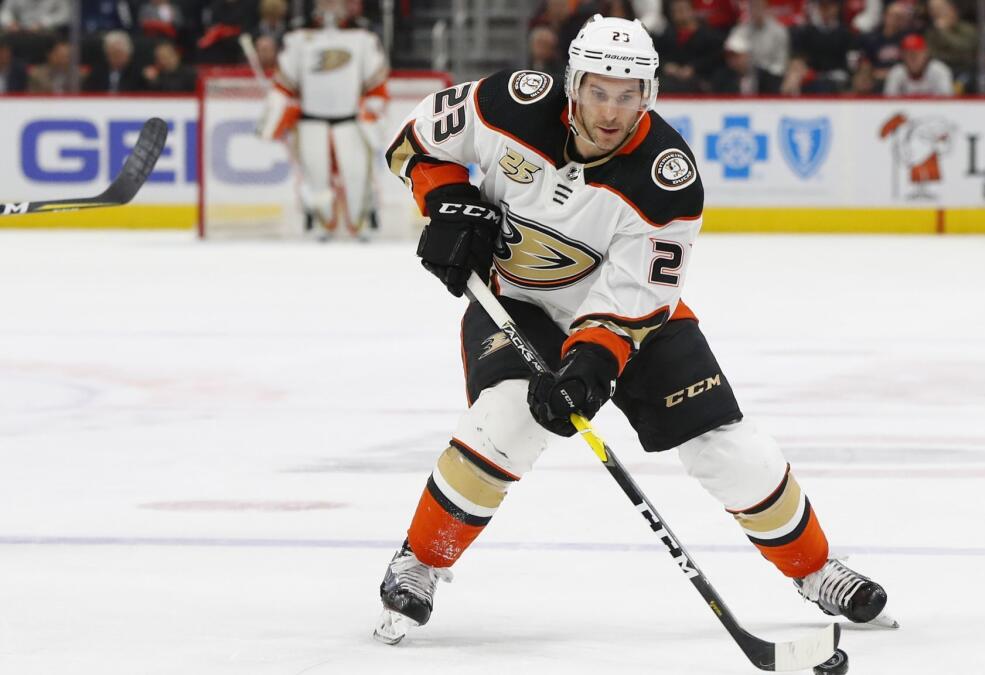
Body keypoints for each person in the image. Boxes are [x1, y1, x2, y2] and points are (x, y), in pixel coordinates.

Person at [372, 13, 891, 645]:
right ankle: (419, 562)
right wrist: (445, 200)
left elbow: (635, 297)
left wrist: (592, 364)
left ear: (649, 93)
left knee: (729, 449)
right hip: (517, 300)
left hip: (625, 319)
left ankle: (817, 570)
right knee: (506, 418)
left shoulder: (666, 177)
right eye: (598, 91)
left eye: (628, 94)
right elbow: (416, 142)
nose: (611, 111)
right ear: (572, 84)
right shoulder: (510, 104)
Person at [257, 0, 388, 240]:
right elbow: (284, 85)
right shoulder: (298, 37)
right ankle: (321, 226)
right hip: (310, 121)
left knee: (358, 177)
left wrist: (373, 113)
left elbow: (376, 85)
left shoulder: (363, 37)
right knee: (315, 178)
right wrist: (273, 113)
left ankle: (361, 224)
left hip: (351, 121)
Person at [884, 32, 954, 96]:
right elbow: (889, 103)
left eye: (917, 54)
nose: (913, 59)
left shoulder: (939, 71)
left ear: (926, 54)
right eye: (908, 54)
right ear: (902, 56)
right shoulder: (896, 73)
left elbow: (947, 102)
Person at [81, 30, 149, 93]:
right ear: (107, 54)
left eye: (119, 54)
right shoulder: (97, 72)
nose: (116, 58)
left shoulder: (137, 73)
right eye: (113, 54)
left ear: (128, 54)